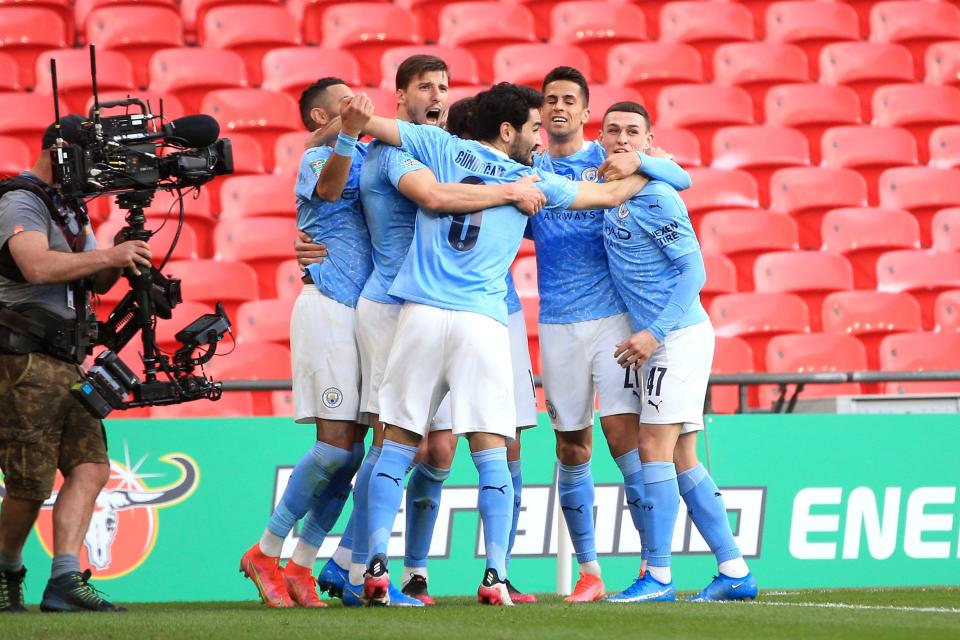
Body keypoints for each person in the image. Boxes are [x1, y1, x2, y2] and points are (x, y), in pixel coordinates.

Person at [346, 82, 651, 606]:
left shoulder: (438, 147)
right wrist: (650, 162)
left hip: (418, 314)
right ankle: (494, 577)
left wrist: (354, 114)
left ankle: (375, 569)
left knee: (395, 445)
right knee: (492, 451)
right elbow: (610, 195)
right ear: (507, 130)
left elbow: (363, 123)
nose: (539, 139)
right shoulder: (529, 180)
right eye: (533, 128)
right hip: (481, 323)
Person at [305, 59, 545, 607]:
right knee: (397, 442)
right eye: (426, 88)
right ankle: (348, 564)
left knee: (434, 450)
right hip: (398, 306)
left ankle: (404, 572)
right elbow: (429, 197)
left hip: (428, 304)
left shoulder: (440, 150)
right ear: (401, 96)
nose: (436, 96)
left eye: (444, 88)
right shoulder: (399, 150)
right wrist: (510, 192)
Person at [529, 66, 691, 602]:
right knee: (572, 447)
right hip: (556, 323)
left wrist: (647, 161)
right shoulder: (528, 170)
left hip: (613, 323)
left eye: (568, 100)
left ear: (584, 113)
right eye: (550, 99)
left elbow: (678, 174)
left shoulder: (615, 164)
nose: (558, 106)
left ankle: (654, 569)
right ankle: (591, 572)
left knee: (628, 445)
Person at [597, 101, 758, 603]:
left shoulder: (659, 195)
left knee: (654, 450)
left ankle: (660, 576)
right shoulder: (610, 186)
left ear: (648, 140)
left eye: (632, 133)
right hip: (665, 338)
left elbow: (695, 273)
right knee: (684, 457)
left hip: (676, 336)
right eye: (613, 131)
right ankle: (734, 570)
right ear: (600, 138)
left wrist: (654, 333)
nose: (622, 139)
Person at [0, 116, 151, 613]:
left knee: (90, 467)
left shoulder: (71, 210)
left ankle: (64, 579)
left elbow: (96, 285)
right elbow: (36, 265)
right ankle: (6, 570)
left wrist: (120, 256)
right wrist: (108, 252)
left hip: (67, 359)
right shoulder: (19, 199)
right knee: (30, 483)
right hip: (21, 357)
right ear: (61, 150)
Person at [239, 78, 373, 609]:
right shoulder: (317, 157)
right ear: (321, 118)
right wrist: (349, 136)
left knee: (354, 450)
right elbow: (329, 193)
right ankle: (266, 551)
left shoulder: (365, 154)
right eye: (344, 102)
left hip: (362, 313)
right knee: (335, 445)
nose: (357, 104)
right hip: (328, 308)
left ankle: (301, 563)